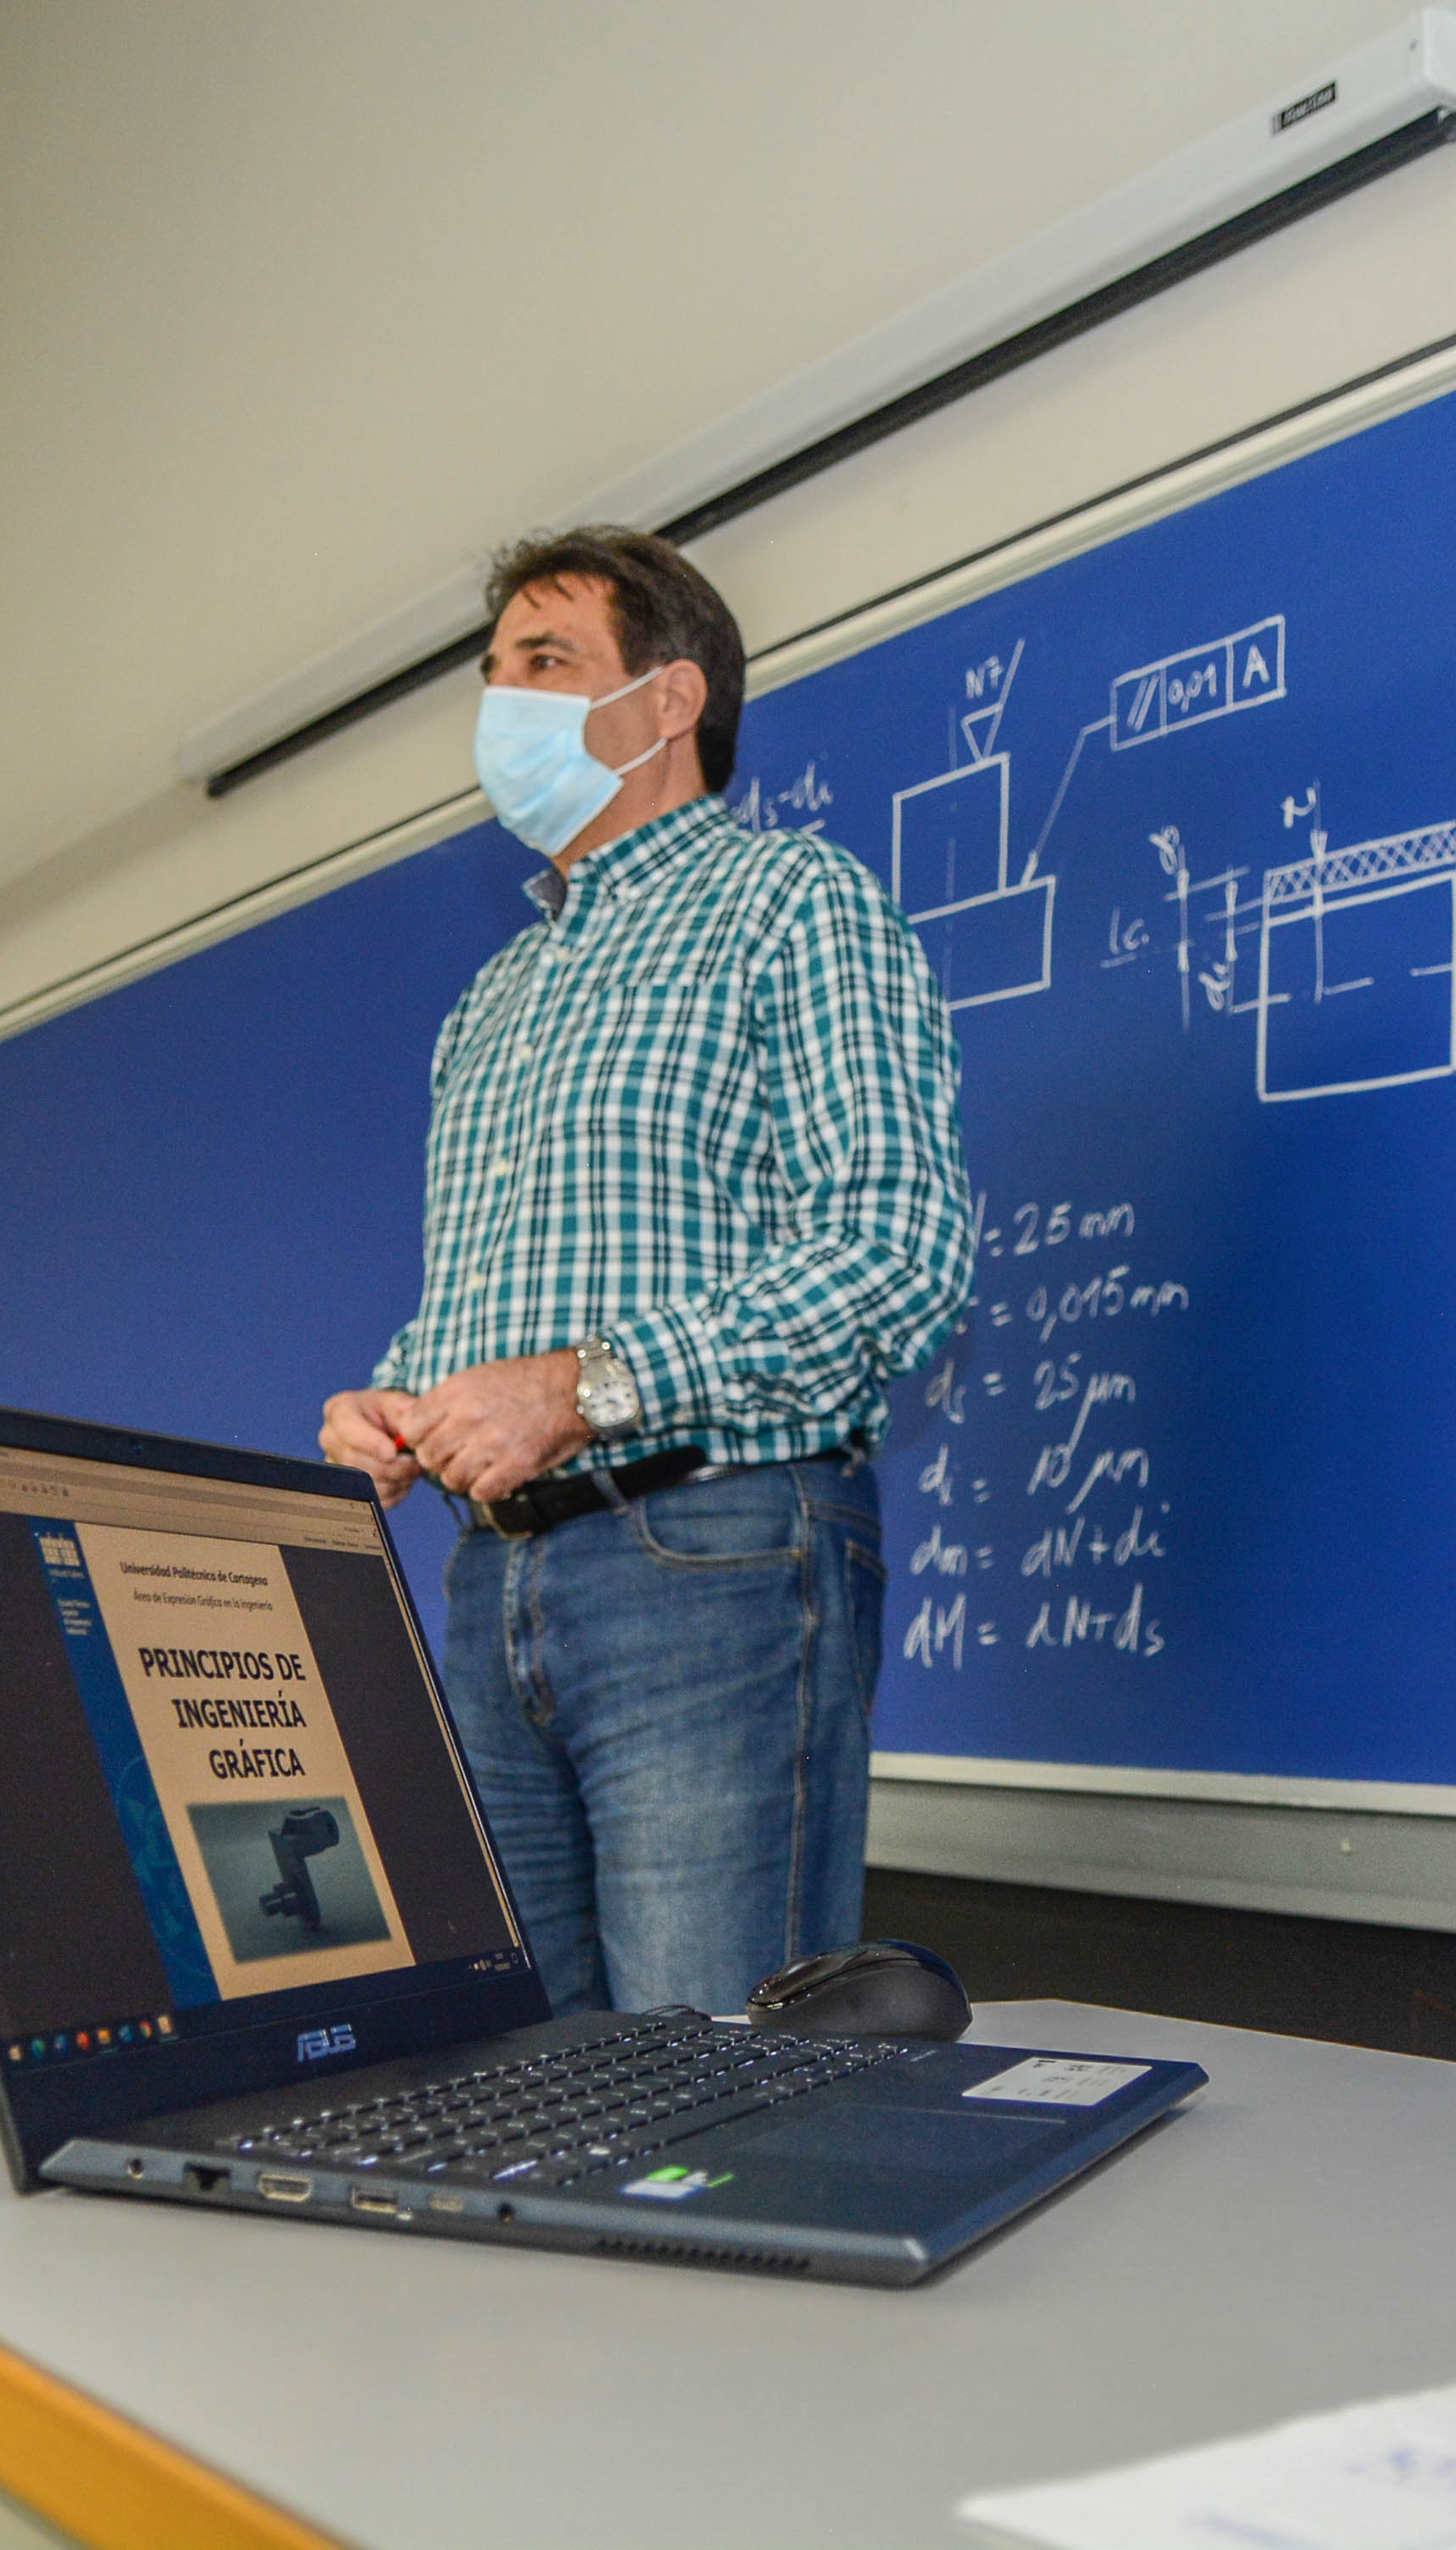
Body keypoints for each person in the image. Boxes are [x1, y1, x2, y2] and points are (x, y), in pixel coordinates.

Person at [319, 527, 972, 2019]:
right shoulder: (496, 996)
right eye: (493, 677)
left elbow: (900, 1250)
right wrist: (404, 1403)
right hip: (492, 1582)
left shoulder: (794, 903)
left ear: (670, 702)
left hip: (711, 1560)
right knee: (507, 2081)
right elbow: (488, 1294)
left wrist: (590, 1387)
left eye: (545, 665)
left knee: (709, 2094)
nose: (505, 707)